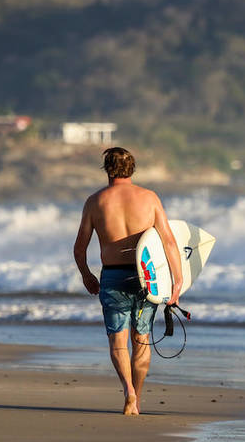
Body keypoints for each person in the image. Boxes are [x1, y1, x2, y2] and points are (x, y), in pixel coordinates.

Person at [73, 147, 183, 415]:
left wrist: (86, 274)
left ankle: (128, 392)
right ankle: (139, 396)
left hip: (112, 276)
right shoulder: (149, 198)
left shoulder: (95, 201)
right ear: (132, 168)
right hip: (146, 277)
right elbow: (169, 242)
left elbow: (79, 248)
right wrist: (177, 282)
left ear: (107, 169)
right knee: (142, 338)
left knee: (118, 341)